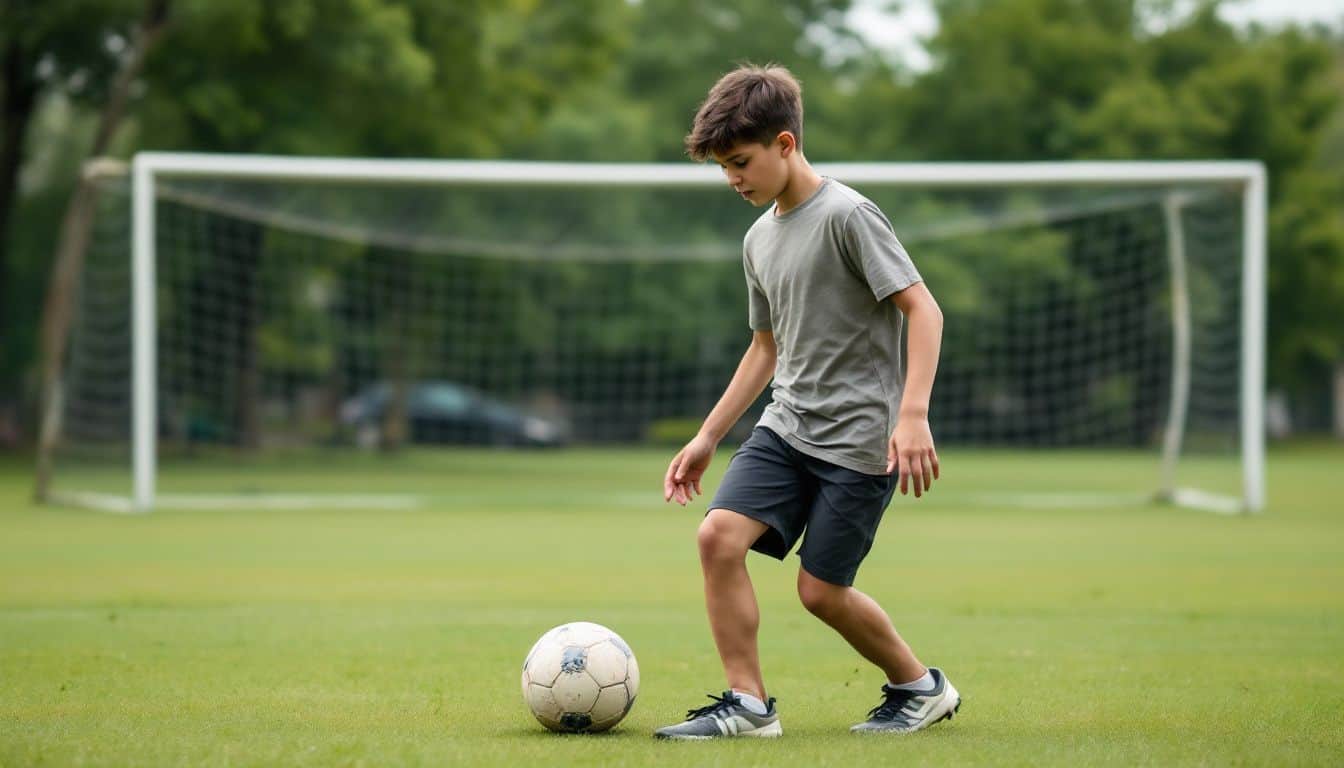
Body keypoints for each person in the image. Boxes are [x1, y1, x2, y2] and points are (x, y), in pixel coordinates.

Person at [654, 63, 960, 740]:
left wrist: (912, 415)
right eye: (723, 167)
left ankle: (920, 686)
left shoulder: (848, 215)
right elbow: (765, 347)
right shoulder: (757, 238)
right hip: (786, 426)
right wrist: (708, 436)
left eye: (741, 162)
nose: (734, 179)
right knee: (717, 537)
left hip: (858, 442)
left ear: (786, 144)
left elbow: (924, 309)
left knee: (820, 592)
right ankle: (750, 706)